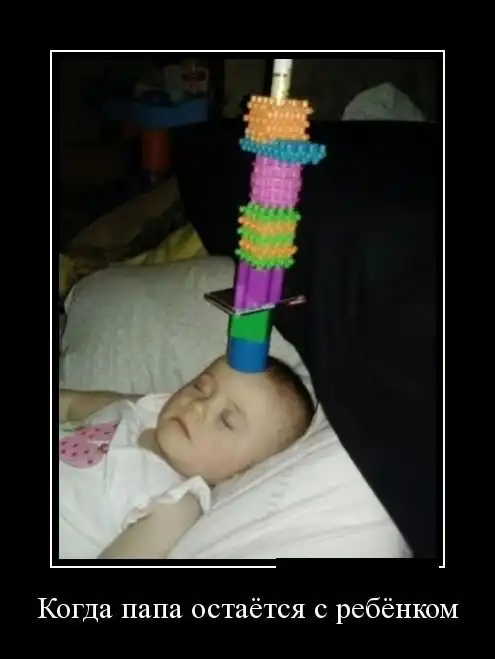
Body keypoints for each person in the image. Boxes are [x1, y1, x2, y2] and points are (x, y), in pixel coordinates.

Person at [58, 354, 315, 560]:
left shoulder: (176, 505)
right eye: (200, 388)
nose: (199, 406)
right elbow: (69, 404)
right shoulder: (145, 409)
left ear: (243, 472)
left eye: (226, 421)